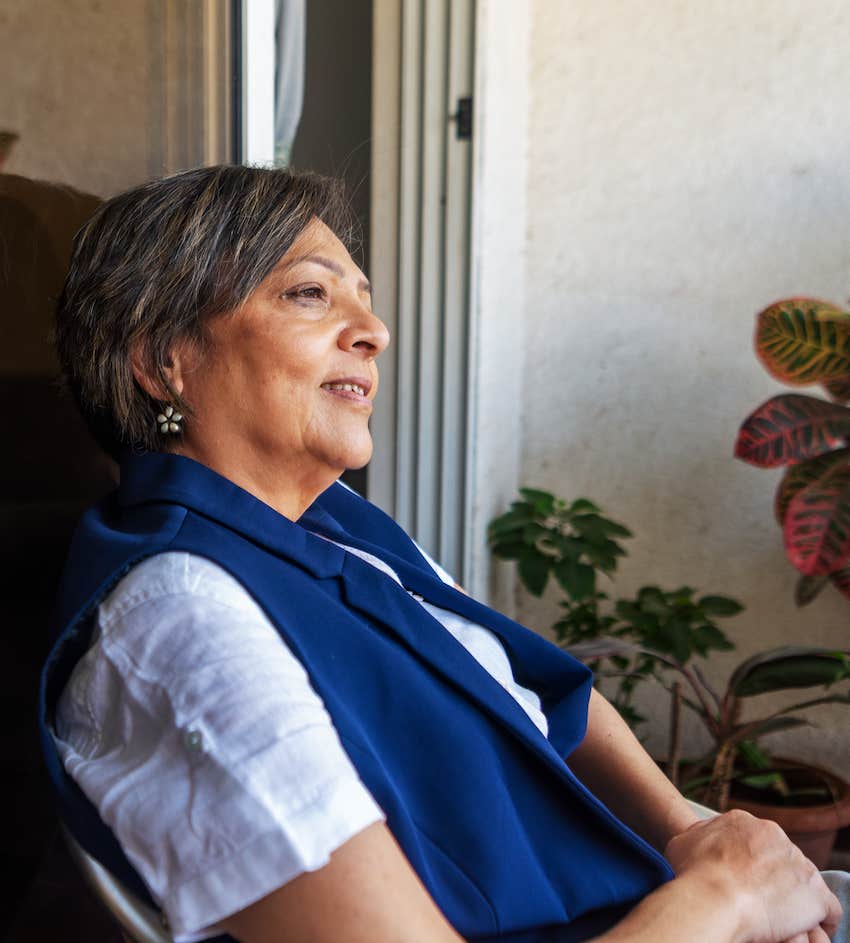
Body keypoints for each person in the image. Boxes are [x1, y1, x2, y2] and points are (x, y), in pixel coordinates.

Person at [38, 165, 845, 943]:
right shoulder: (179, 625)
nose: (375, 331)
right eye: (309, 292)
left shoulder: (332, 524)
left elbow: (521, 682)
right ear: (163, 361)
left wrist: (688, 832)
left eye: (365, 299)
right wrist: (723, 898)